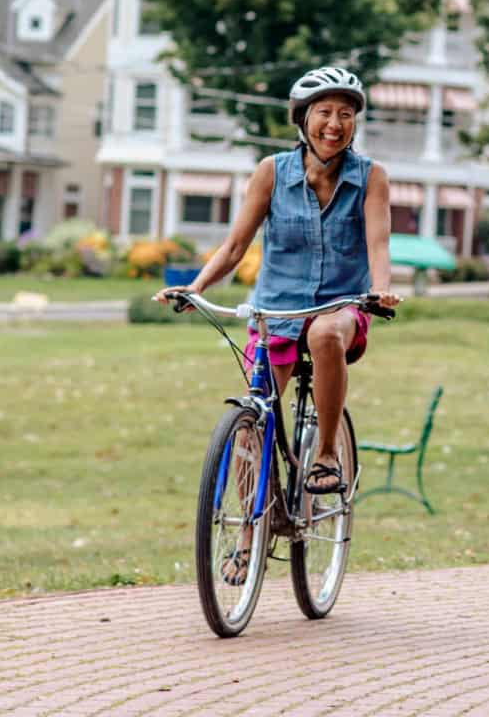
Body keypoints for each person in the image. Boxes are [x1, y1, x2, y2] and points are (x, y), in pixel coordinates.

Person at [157, 67, 401, 581]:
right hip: (275, 313)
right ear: (303, 120)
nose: (335, 124)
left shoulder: (371, 177)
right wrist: (196, 287)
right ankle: (249, 529)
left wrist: (380, 289)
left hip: (342, 307)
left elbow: (378, 244)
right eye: (325, 114)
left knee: (323, 332)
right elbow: (234, 247)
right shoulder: (271, 173)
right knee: (252, 424)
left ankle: (328, 453)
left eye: (346, 114)